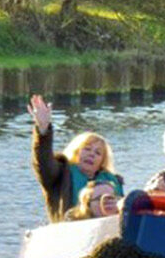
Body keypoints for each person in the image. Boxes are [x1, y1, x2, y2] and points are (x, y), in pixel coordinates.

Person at [28, 94, 124, 222]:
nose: (91, 154)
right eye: (87, 149)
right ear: (76, 152)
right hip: (71, 234)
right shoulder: (60, 174)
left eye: (97, 153)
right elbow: (43, 162)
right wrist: (43, 130)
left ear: (103, 160)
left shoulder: (112, 181)